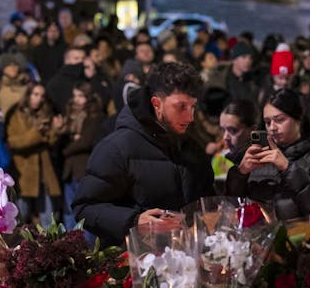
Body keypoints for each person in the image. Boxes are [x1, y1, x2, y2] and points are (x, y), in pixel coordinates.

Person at [73, 61, 213, 246]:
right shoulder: (117, 148)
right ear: (157, 103)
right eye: (181, 107)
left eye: (192, 107)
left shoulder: (191, 147)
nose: (190, 117)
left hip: (186, 261)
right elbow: (85, 207)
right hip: (134, 264)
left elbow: (208, 201)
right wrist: (134, 221)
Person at [225, 88, 310, 221]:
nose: (272, 127)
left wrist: (288, 169)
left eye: (279, 120)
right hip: (257, 235)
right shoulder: (257, 153)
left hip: (299, 236)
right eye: (267, 122)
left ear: (298, 120)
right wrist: (240, 173)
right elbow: (230, 206)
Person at [5, 82, 63, 223]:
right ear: (29, 95)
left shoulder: (46, 114)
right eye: (35, 94)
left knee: (48, 218)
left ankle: (48, 245)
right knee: (20, 216)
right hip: (24, 171)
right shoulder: (16, 114)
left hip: (44, 172)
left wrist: (55, 130)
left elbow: (50, 143)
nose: (39, 98)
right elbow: (14, 141)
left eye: (42, 95)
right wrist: (37, 133)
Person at [60, 82, 105, 228]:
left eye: (80, 96)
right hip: (70, 170)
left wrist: (67, 149)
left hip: (84, 168)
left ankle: (86, 247)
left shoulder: (94, 115)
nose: (76, 100)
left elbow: (86, 141)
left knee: (84, 211)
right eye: (74, 96)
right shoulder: (70, 115)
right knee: (69, 210)